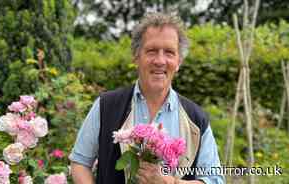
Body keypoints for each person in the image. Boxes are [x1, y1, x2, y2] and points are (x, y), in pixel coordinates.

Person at [69, 12, 225, 184]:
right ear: (136, 57)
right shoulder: (106, 106)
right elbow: (80, 163)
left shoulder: (197, 119)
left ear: (179, 61)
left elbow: (214, 180)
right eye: (151, 51)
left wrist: (170, 182)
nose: (160, 60)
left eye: (169, 52)